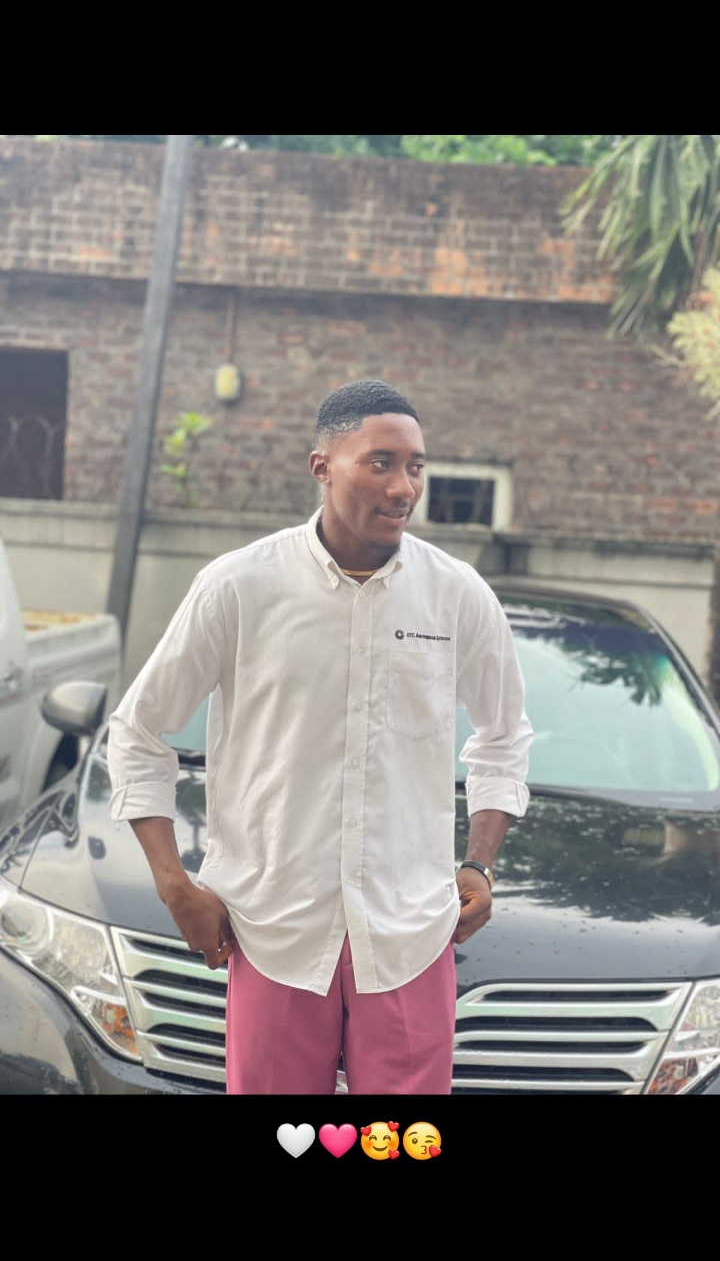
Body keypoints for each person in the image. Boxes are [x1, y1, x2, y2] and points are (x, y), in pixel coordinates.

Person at [107, 379, 533, 1094]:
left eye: (416, 467)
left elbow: (504, 735)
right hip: (272, 930)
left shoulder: (457, 594)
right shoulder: (240, 586)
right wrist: (174, 885)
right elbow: (138, 729)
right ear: (321, 467)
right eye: (380, 462)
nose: (403, 486)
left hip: (408, 936)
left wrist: (480, 865)